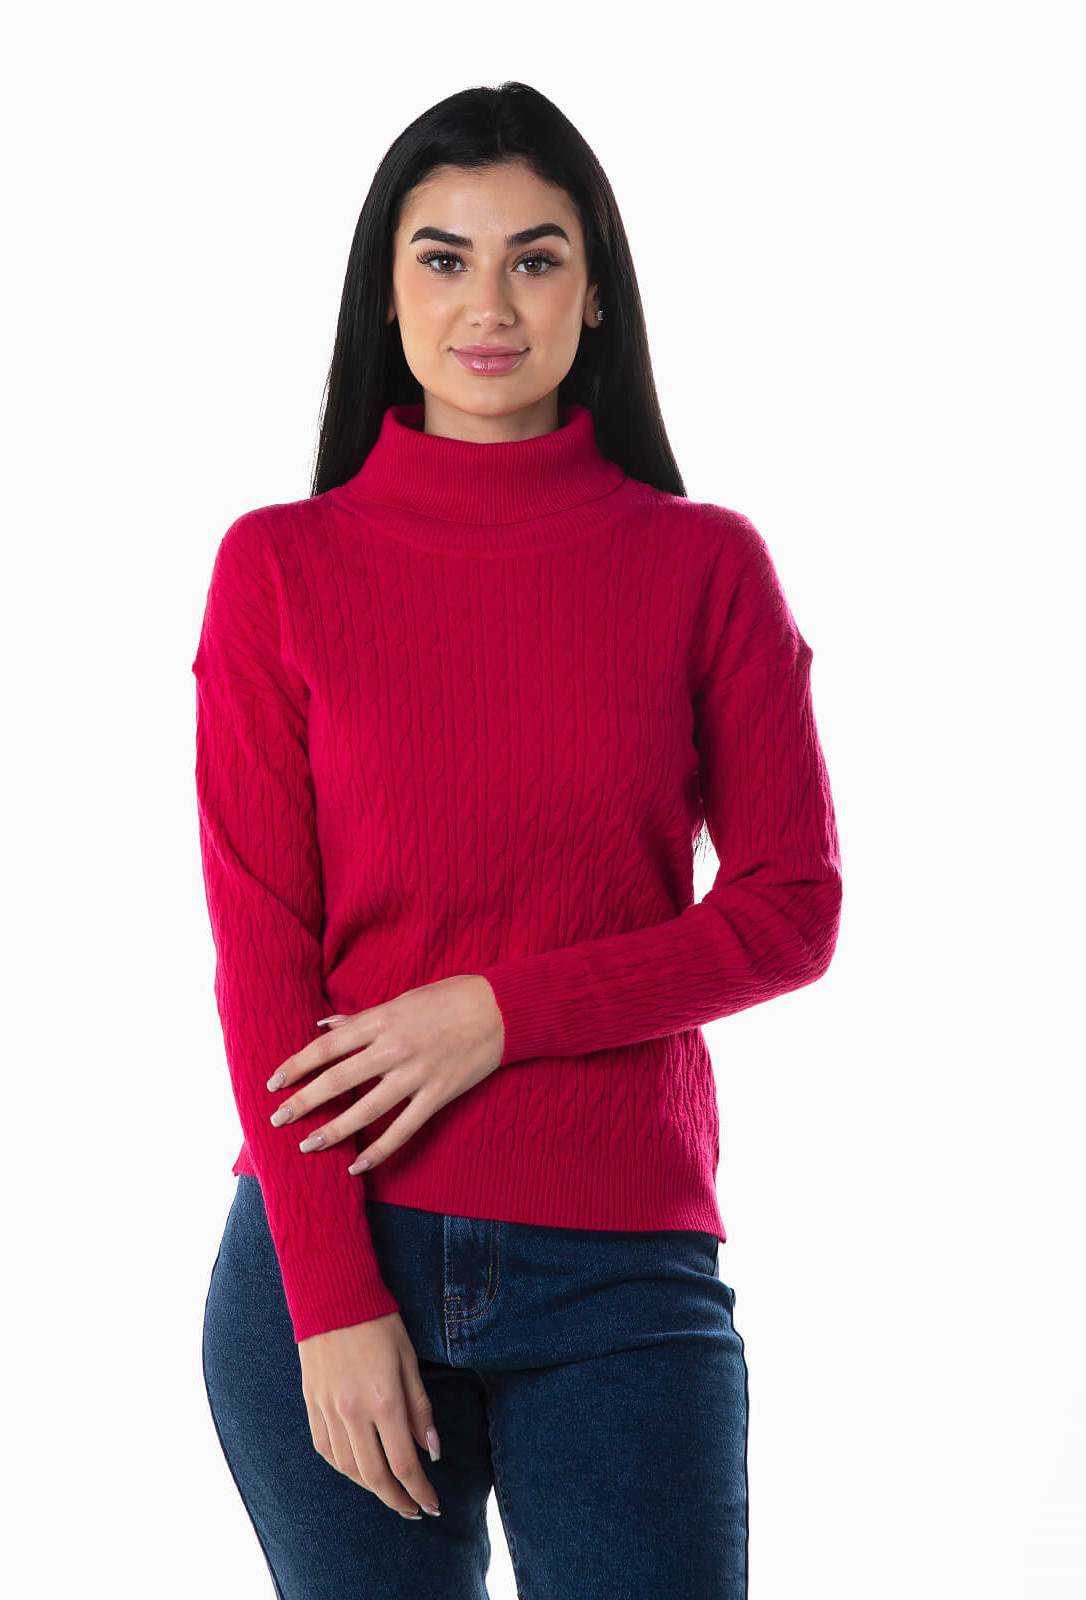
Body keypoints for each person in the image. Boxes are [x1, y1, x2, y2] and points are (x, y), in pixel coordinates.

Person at [192, 80, 842, 1600]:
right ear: (386, 290)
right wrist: (328, 1301)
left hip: (624, 1269)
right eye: (444, 258)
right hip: (340, 1252)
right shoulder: (281, 569)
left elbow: (790, 907)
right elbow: (264, 955)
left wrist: (496, 1011)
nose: (489, 304)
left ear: (595, 292)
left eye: (535, 258)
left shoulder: (703, 567)